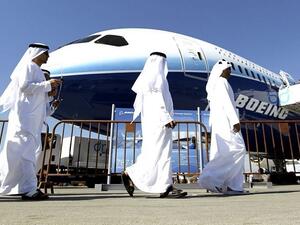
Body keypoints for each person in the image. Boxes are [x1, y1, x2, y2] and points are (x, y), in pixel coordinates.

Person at [0, 43, 61, 200]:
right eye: (46, 53)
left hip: (32, 122)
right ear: (37, 53)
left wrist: (50, 97)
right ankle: (29, 189)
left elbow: (36, 99)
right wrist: (49, 84)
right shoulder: (28, 66)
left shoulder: (37, 71)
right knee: (25, 155)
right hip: (24, 121)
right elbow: (25, 87)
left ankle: (21, 187)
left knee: (24, 155)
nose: (48, 56)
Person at [122, 52, 187, 198]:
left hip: (153, 123)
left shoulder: (148, 80)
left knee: (155, 154)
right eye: (163, 61)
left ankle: (163, 184)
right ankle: (163, 185)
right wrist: (166, 118)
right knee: (161, 154)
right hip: (159, 123)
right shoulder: (157, 78)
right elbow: (158, 101)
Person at [198, 59, 246, 194]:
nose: (230, 72)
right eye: (228, 69)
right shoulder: (221, 82)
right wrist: (234, 120)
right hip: (226, 121)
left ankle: (232, 186)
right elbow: (227, 103)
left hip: (220, 122)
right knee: (238, 149)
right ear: (222, 70)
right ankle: (210, 178)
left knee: (225, 151)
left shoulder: (216, 84)